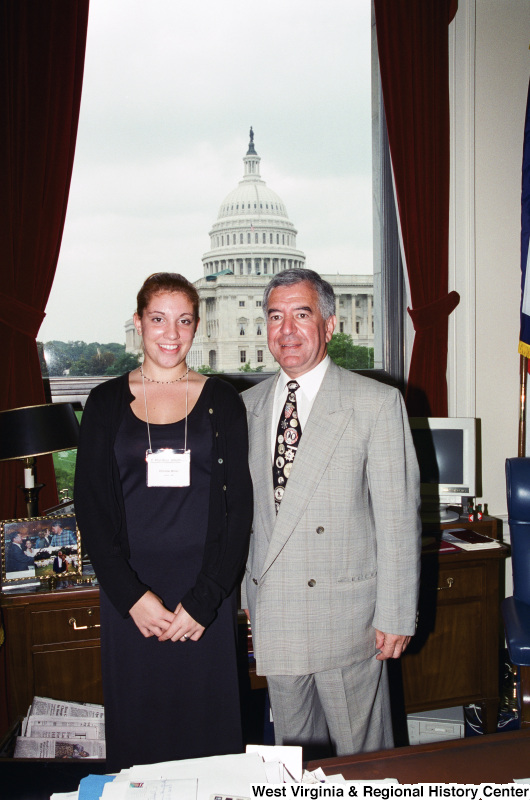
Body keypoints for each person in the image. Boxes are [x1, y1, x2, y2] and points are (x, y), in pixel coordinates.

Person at [74, 272, 252, 771]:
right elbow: (89, 506)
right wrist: (131, 597)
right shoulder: (106, 401)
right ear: (138, 322)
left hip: (204, 598)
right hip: (131, 596)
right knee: (140, 737)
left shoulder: (223, 401)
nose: (171, 333)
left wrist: (205, 600)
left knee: (209, 737)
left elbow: (239, 510)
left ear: (197, 326)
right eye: (158, 319)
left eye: (184, 320)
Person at [241, 268, 421, 758]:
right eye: (276, 317)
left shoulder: (376, 404)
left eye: (302, 315)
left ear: (329, 324)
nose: (287, 330)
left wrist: (397, 612)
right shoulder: (247, 407)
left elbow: (398, 520)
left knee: (362, 759)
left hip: (349, 616)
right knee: (292, 757)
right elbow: (246, 517)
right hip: (275, 611)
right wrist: (244, 593)